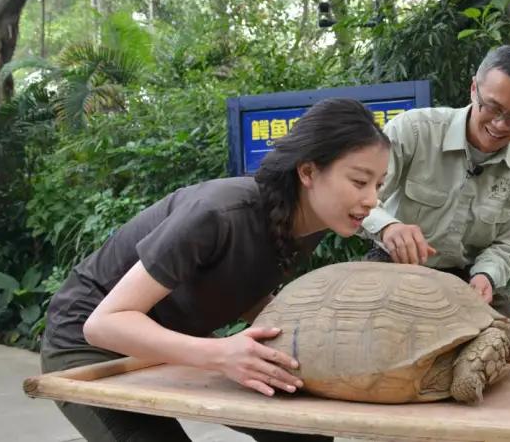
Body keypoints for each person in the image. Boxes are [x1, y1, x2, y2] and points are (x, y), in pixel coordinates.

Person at [40, 97, 391, 442]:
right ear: (308, 171)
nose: (372, 199)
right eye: (359, 181)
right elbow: (103, 324)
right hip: (86, 345)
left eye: (378, 184)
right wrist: (220, 354)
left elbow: (249, 290)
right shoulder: (217, 213)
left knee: (304, 433)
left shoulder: (308, 225)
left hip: (177, 342)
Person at [359, 45, 510, 316]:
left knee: (502, 342)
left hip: (469, 278)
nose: (500, 124)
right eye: (492, 107)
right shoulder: (412, 131)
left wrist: (486, 275)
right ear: (474, 89)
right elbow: (359, 198)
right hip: (395, 262)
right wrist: (388, 228)